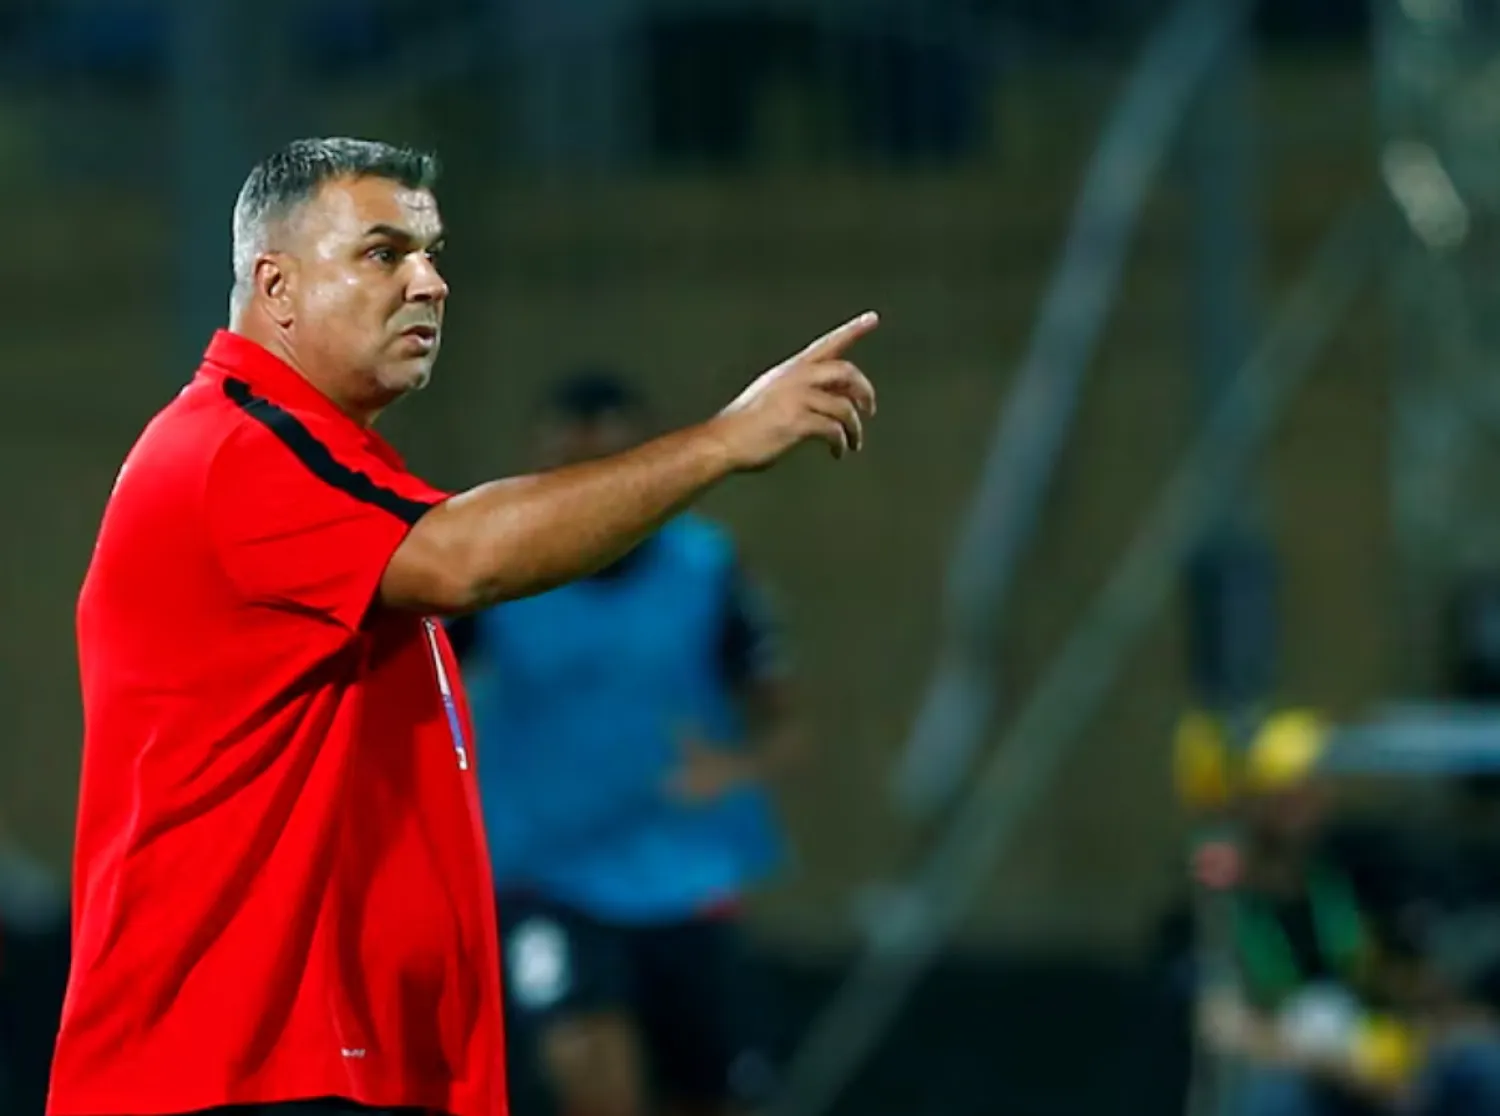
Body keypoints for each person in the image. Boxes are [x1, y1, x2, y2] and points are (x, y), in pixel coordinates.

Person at [47, 136, 879, 1116]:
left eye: (434, 255)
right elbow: (465, 557)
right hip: (239, 1069)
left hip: (337, 1065)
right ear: (274, 286)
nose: (430, 283)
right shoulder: (234, 450)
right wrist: (723, 442)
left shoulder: (331, 475)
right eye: (384, 252)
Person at [448, 371, 798, 1116]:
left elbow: (783, 719)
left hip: (683, 883)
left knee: (708, 1093)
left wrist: (735, 768)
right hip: (548, 880)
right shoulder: (497, 568)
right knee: (588, 1068)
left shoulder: (706, 569)